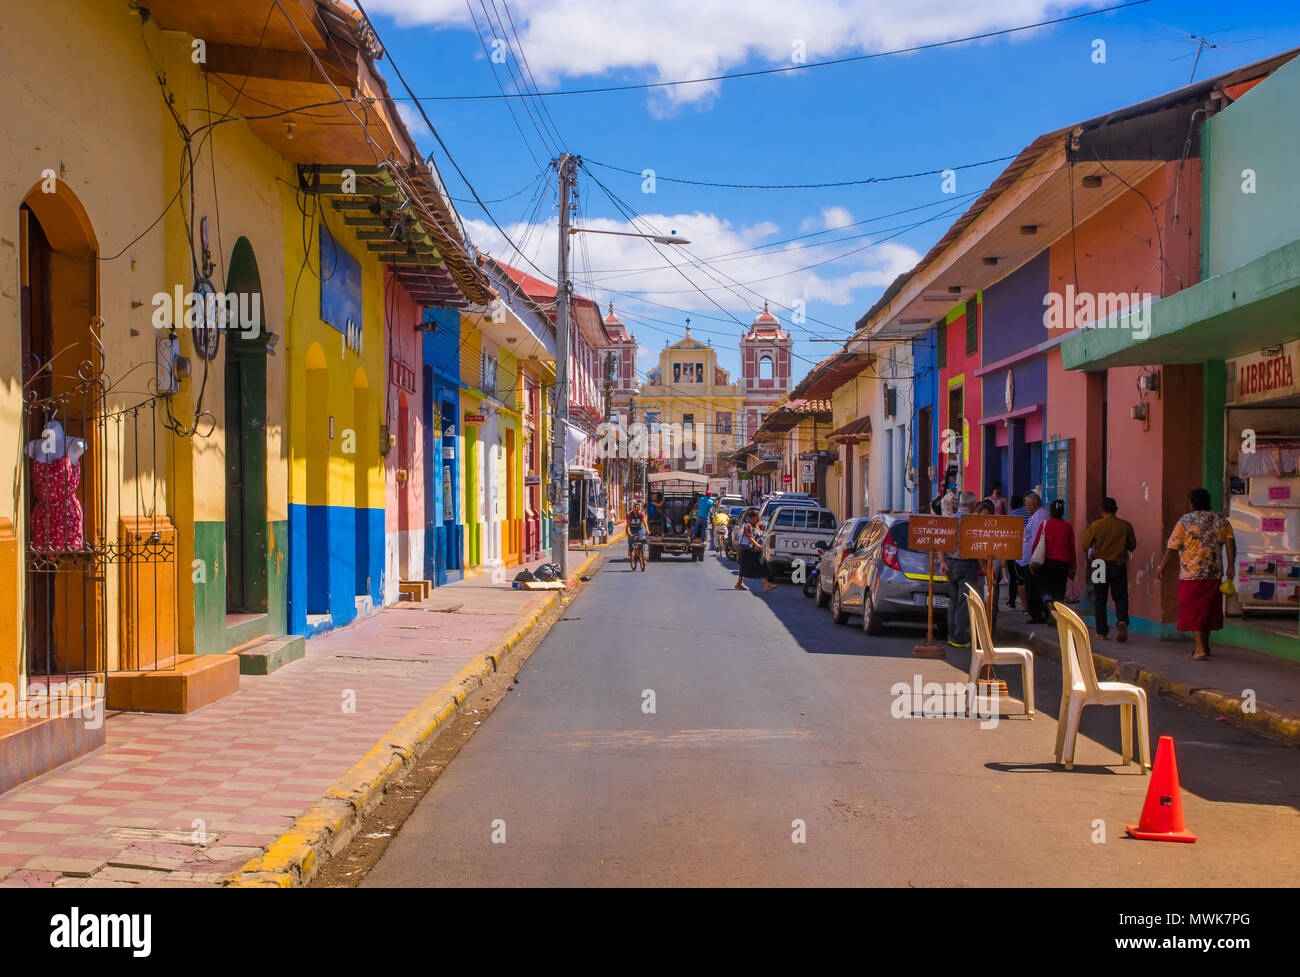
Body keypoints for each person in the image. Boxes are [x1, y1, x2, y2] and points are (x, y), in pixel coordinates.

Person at [1157, 488, 1236, 661]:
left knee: (1194, 612)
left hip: (1190, 573)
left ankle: (1199, 649)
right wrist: (1231, 566)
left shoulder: (1185, 521)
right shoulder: (1220, 520)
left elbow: (1172, 547)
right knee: (1207, 610)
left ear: (1191, 503)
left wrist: (1161, 567)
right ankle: (1204, 646)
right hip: (1213, 573)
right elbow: (1230, 543)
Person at [1081, 497, 1137, 642]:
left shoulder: (1096, 525)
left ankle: (1101, 632)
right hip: (1118, 565)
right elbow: (1132, 546)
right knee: (1120, 597)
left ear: (1101, 510)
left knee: (1100, 598)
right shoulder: (1125, 526)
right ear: (1116, 510)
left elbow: (1085, 545)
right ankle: (1122, 620)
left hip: (1099, 565)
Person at [939, 491, 982, 648]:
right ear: (973, 505)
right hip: (967, 564)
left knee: (953, 600)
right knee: (963, 601)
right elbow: (977, 546)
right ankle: (959, 637)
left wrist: (942, 562)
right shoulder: (973, 522)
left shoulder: (950, 520)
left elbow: (940, 543)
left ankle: (951, 635)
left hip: (951, 564)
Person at [1030, 499, 1076, 617]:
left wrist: (1032, 562)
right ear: (1062, 512)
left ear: (1051, 511)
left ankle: (1048, 603)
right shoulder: (1068, 527)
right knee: (1059, 590)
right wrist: (1073, 567)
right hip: (1063, 564)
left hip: (1046, 562)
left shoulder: (1045, 525)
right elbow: (1071, 548)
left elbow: (1036, 544)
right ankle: (1056, 615)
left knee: (1043, 587)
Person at [1018, 492, 1048, 622]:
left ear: (1034, 503)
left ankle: (1036, 614)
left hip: (1033, 560)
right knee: (1033, 587)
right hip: (1031, 559)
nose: (1026, 507)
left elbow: (1037, 540)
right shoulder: (1037, 516)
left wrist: (1033, 561)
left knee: (1033, 588)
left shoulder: (1039, 517)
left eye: (1027, 504)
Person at [975, 499, 1001, 634]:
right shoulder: (974, 529)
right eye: (981, 516)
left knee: (991, 604)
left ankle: (990, 633)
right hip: (978, 573)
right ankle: (979, 632)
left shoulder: (996, 530)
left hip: (990, 573)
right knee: (979, 604)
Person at [735, 508, 776, 593]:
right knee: (760, 565)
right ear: (753, 517)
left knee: (748, 566)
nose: (759, 519)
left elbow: (759, 536)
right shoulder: (748, 525)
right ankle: (766, 584)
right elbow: (748, 536)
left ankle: (739, 583)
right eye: (758, 517)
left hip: (753, 550)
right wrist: (757, 545)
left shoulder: (755, 526)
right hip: (748, 550)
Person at [1006, 494, 1027, 608]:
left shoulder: (1012, 515)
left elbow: (1009, 535)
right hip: (1028, 549)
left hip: (1014, 548)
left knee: (1014, 577)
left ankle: (1012, 601)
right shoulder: (1029, 513)